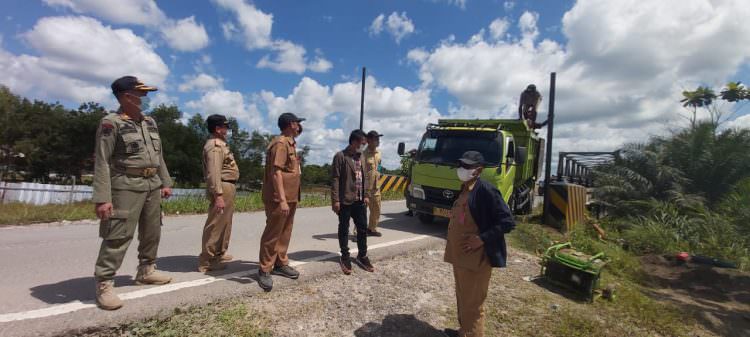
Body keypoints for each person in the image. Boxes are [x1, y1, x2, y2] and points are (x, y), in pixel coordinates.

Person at [92, 76, 173, 310]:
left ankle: (146, 270)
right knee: (118, 234)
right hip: (125, 184)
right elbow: (102, 161)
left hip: (151, 184)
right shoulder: (111, 123)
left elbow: (159, 156)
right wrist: (103, 198)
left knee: (152, 230)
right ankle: (104, 283)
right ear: (128, 96)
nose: (145, 99)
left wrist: (165, 182)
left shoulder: (150, 122)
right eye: (141, 94)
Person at [443, 151, 516, 337]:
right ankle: (464, 331)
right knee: (463, 298)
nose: (462, 169)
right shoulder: (466, 189)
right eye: (461, 165)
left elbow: (507, 222)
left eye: (467, 166)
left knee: (473, 305)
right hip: (461, 258)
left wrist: (482, 239)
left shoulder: (486, 190)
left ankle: (471, 333)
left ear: (479, 170)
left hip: (476, 260)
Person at [257, 112, 305, 291]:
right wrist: (283, 200)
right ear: (290, 124)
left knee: (285, 231)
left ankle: (279, 262)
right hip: (279, 198)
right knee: (273, 233)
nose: (299, 126)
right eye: (297, 122)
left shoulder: (290, 142)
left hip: (291, 196)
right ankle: (264, 269)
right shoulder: (280, 143)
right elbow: (276, 172)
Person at [198, 114, 240, 272]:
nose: (227, 130)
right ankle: (207, 260)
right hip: (221, 186)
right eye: (225, 127)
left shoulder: (222, 144)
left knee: (225, 222)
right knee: (216, 223)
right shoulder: (215, 146)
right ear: (217, 128)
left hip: (227, 186)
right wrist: (218, 195)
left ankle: (219, 253)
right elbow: (213, 172)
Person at [331, 129, 374, 274]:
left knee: (362, 228)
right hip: (345, 200)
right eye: (362, 143)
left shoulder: (361, 156)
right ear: (354, 141)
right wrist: (335, 200)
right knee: (344, 228)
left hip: (360, 200)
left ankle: (362, 255)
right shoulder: (340, 156)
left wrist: (366, 195)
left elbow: (365, 177)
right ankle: (345, 256)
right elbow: (335, 179)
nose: (363, 146)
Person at [364, 130, 383, 236]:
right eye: (376, 139)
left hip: (376, 186)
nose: (378, 141)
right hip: (365, 187)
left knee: (376, 209)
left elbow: (379, 166)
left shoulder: (379, 153)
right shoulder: (363, 154)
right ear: (369, 141)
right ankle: (359, 232)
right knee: (361, 212)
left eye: (378, 138)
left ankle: (372, 229)